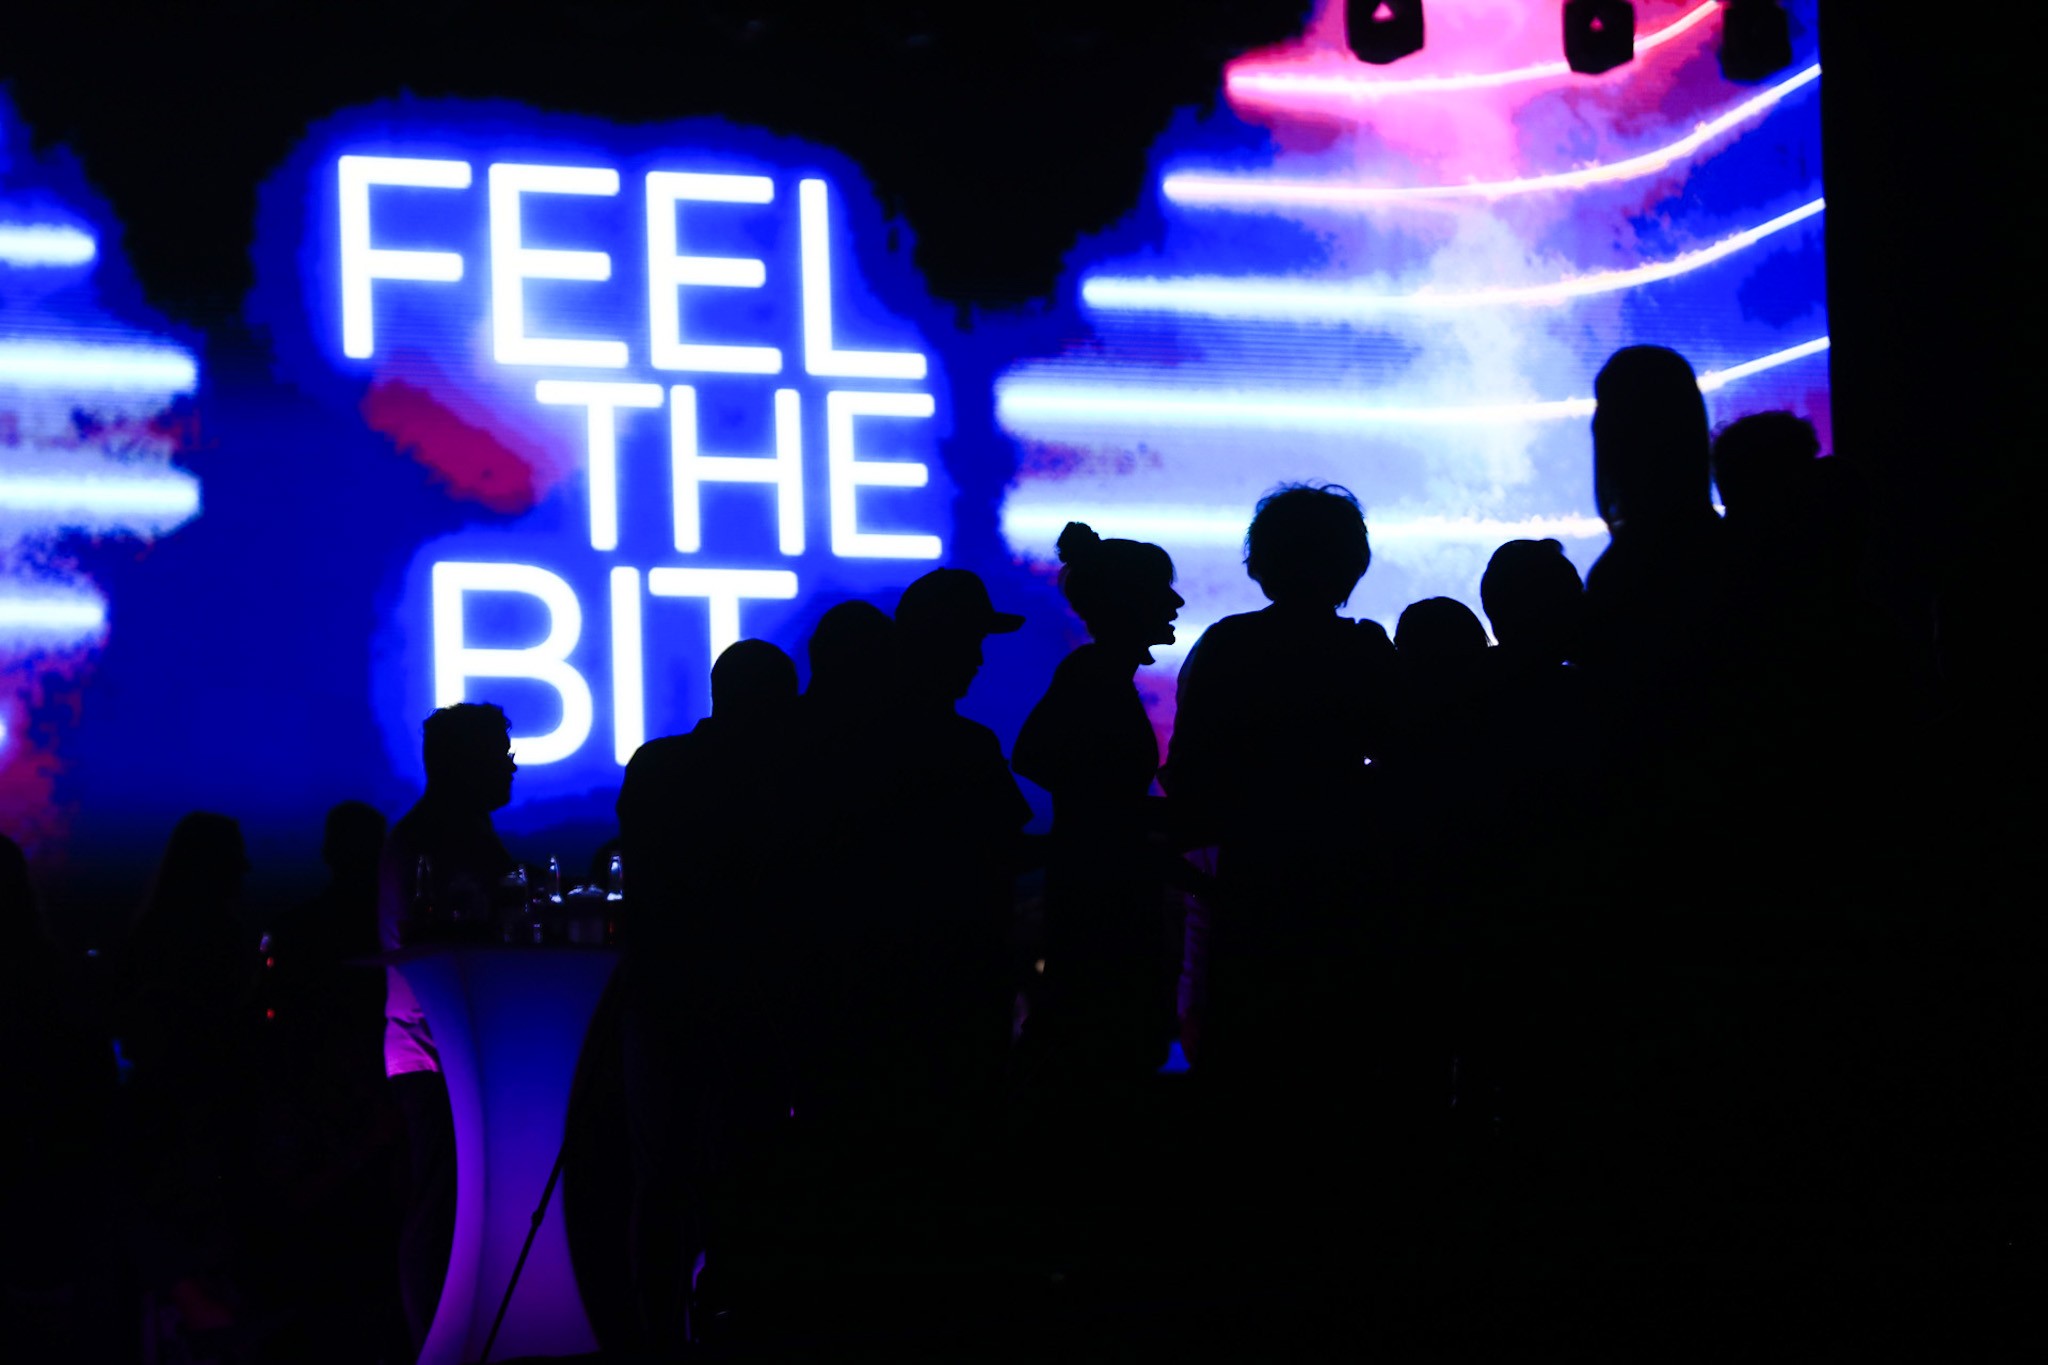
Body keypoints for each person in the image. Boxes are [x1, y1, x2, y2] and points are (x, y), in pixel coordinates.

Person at [616, 639, 802, 1351]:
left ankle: (658, 1332)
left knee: (662, 1174)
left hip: (662, 998)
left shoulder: (656, 767)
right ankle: (734, 1324)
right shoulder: (780, 782)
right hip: (751, 1003)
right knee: (746, 1170)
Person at [1012, 523, 1186, 1094]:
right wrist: (1111, 817)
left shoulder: (1095, 673)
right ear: (1130, 603)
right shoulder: (1093, 674)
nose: (1176, 603)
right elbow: (1035, 754)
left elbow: (1038, 756)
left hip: (1096, 882)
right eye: (1161, 591)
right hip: (1102, 891)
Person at [376, 703, 517, 1357]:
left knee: (450, 1201)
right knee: (442, 1204)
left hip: (445, 1050)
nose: (511, 765)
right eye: (499, 753)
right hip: (434, 1054)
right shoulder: (432, 841)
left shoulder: (442, 835)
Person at [886, 568, 1034, 1128]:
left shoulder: (856, 741)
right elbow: (1007, 849)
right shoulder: (967, 747)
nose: (977, 659)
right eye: (969, 641)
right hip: (961, 989)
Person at [117, 813, 259, 1340]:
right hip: (205, 1109)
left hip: (163, 1107)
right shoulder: (218, 937)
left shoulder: (151, 933)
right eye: (235, 858)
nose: (245, 869)